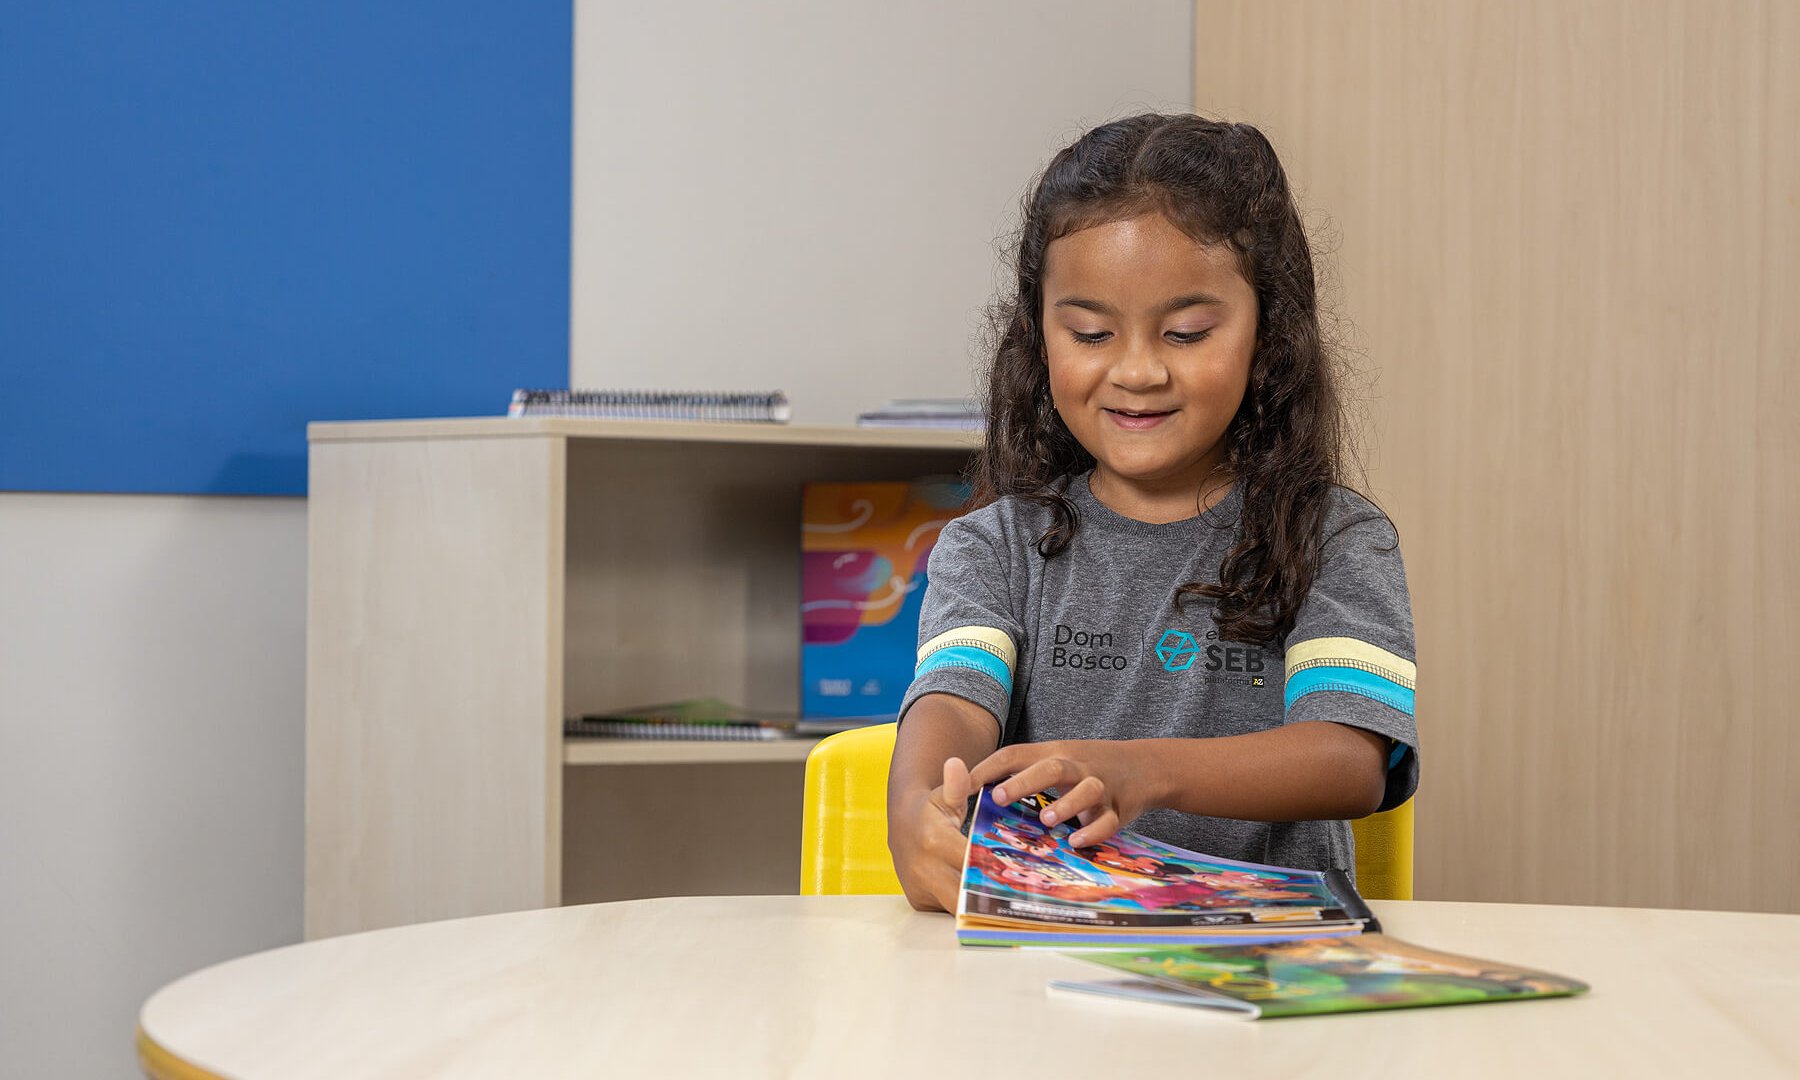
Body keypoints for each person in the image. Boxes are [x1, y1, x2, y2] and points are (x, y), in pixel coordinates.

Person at [886, 113, 1419, 914]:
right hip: (1050, 953)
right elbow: (953, 704)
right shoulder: (991, 545)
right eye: (1092, 332)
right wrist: (913, 811)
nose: (1137, 371)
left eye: (1186, 332)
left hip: (1268, 958)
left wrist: (1140, 771)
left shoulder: (1337, 538)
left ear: (1266, 334)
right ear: (1041, 337)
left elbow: (1348, 758)